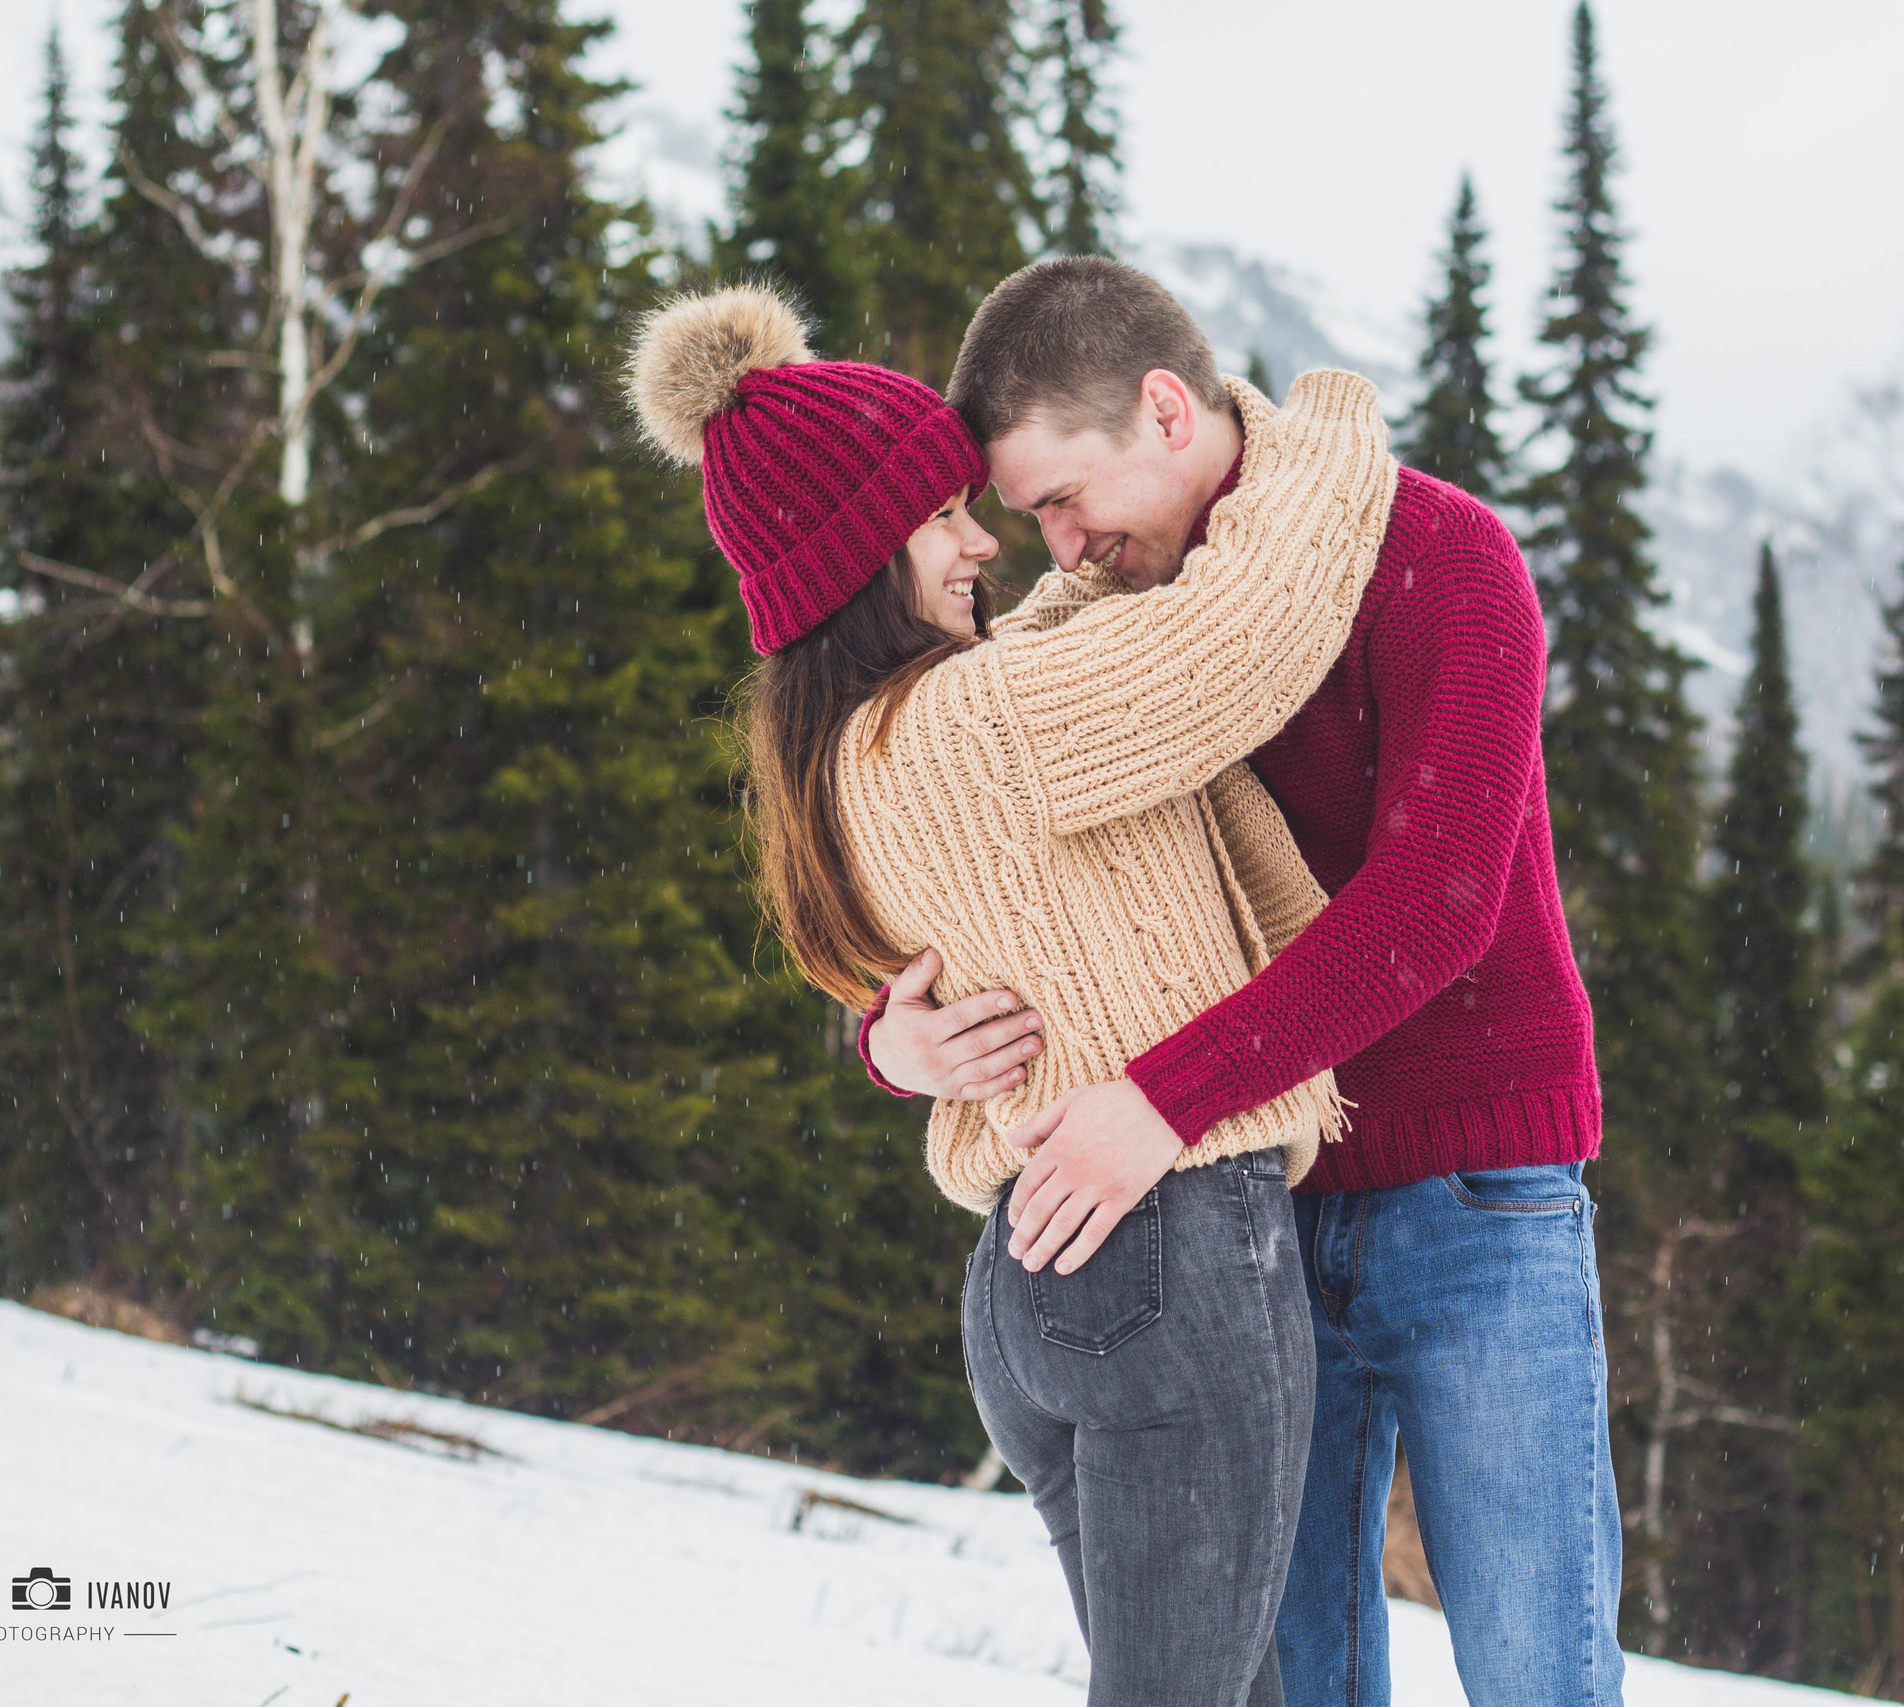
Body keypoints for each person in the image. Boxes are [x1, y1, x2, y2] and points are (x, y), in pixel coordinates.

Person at [859, 257, 1627, 1707]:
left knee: (1542, 1667)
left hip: (1481, 1194)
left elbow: (1437, 903)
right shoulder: (1117, 622)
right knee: (1296, 1678)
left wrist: (1165, 1097)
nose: (1062, 549)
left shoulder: (1440, 554)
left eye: (1066, 499)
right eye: (1030, 522)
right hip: (1254, 1219)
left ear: (1164, 407)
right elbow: (980, 851)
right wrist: (892, 1037)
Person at [622, 282, 1400, 1707]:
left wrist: (885, 1047)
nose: (981, 539)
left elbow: (1082, 642)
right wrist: (1332, 422)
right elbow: (1258, 626)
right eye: (940, 516)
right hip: (1165, 1252)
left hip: (1035, 1290)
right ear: (865, 555)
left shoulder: (849, 758)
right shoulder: (985, 724)